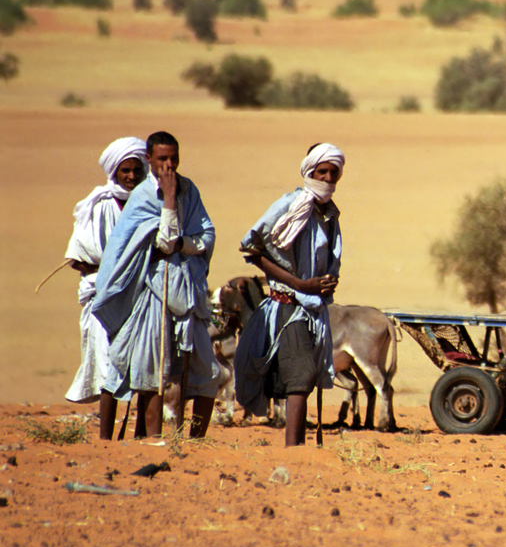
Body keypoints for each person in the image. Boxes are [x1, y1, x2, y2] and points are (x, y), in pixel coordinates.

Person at [92, 131, 220, 439]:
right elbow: (158, 241)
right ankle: (147, 440)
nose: (169, 165)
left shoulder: (190, 189)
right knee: (150, 370)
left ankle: (197, 441)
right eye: (162, 159)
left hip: (186, 291)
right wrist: (170, 199)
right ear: (149, 159)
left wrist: (182, 245)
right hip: (151, 291)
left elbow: (207, 236)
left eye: (174, 159)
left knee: (209, 371)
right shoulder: (144, 196)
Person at [235, 143, 344, 447]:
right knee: (302, 376)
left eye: (333, 173)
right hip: (289, 306)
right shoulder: (291, 204)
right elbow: (251, 249)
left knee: (303, 379)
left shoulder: (330, 214)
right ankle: (293, 452)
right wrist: (300, 284)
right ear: (309, 171)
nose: (327, 177)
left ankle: (295, 449)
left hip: (313, 308)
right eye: (322, 171)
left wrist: (325, 283)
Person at [63, 137, 148, 440]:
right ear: (114, 171)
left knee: (144, 363)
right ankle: (104, 440)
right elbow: (78, 258)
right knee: (108, 364)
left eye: (137, 171)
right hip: (103, 295)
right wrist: (111, 274)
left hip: (141, 294)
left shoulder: (152, 202)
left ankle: (142, 434)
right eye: (126, 170)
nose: (132, 177)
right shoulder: (97, 205)